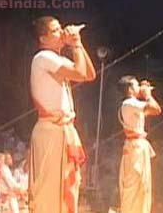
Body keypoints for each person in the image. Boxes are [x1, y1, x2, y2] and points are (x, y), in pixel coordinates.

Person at [28, 16, 96, 213]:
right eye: (56, 30)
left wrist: (79, 44)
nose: (62, 33)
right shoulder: (43, 58)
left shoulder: (57, 59)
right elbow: (80, 72)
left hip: (62, 130)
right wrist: (74, 44)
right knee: (49, 193)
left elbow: (90, 75)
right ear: (43, 39)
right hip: (50, 131)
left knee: (67, 189)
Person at [117, 76, 162, 213]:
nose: (139, 88)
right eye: (136, 85)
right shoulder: (129, 103)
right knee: (133, 186)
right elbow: (156, 108)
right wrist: (148, 95)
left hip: (137, 147)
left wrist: (146, 93)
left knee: (142, 187)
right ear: (130, 89)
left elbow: (152, 110)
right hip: (134, 148)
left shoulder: (133, 105)